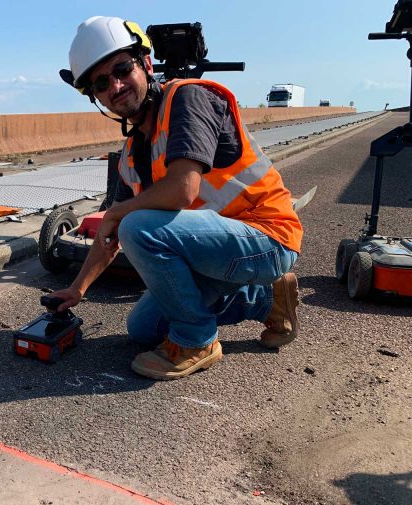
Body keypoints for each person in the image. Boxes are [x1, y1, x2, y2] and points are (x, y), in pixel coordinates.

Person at [51, 16, 303, 380]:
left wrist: (120, 213)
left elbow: (183, 190)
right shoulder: (131, 153)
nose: (116, 86)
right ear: (96, 97)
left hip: (267, 238)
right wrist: (77, 289)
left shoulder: (188, 98)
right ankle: (267, 299)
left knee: (138, 225)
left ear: (146, 64)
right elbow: (111, 230)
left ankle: (196, 342)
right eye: (101, 83)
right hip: (217, 248)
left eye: (122, 69)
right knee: (143, 329)